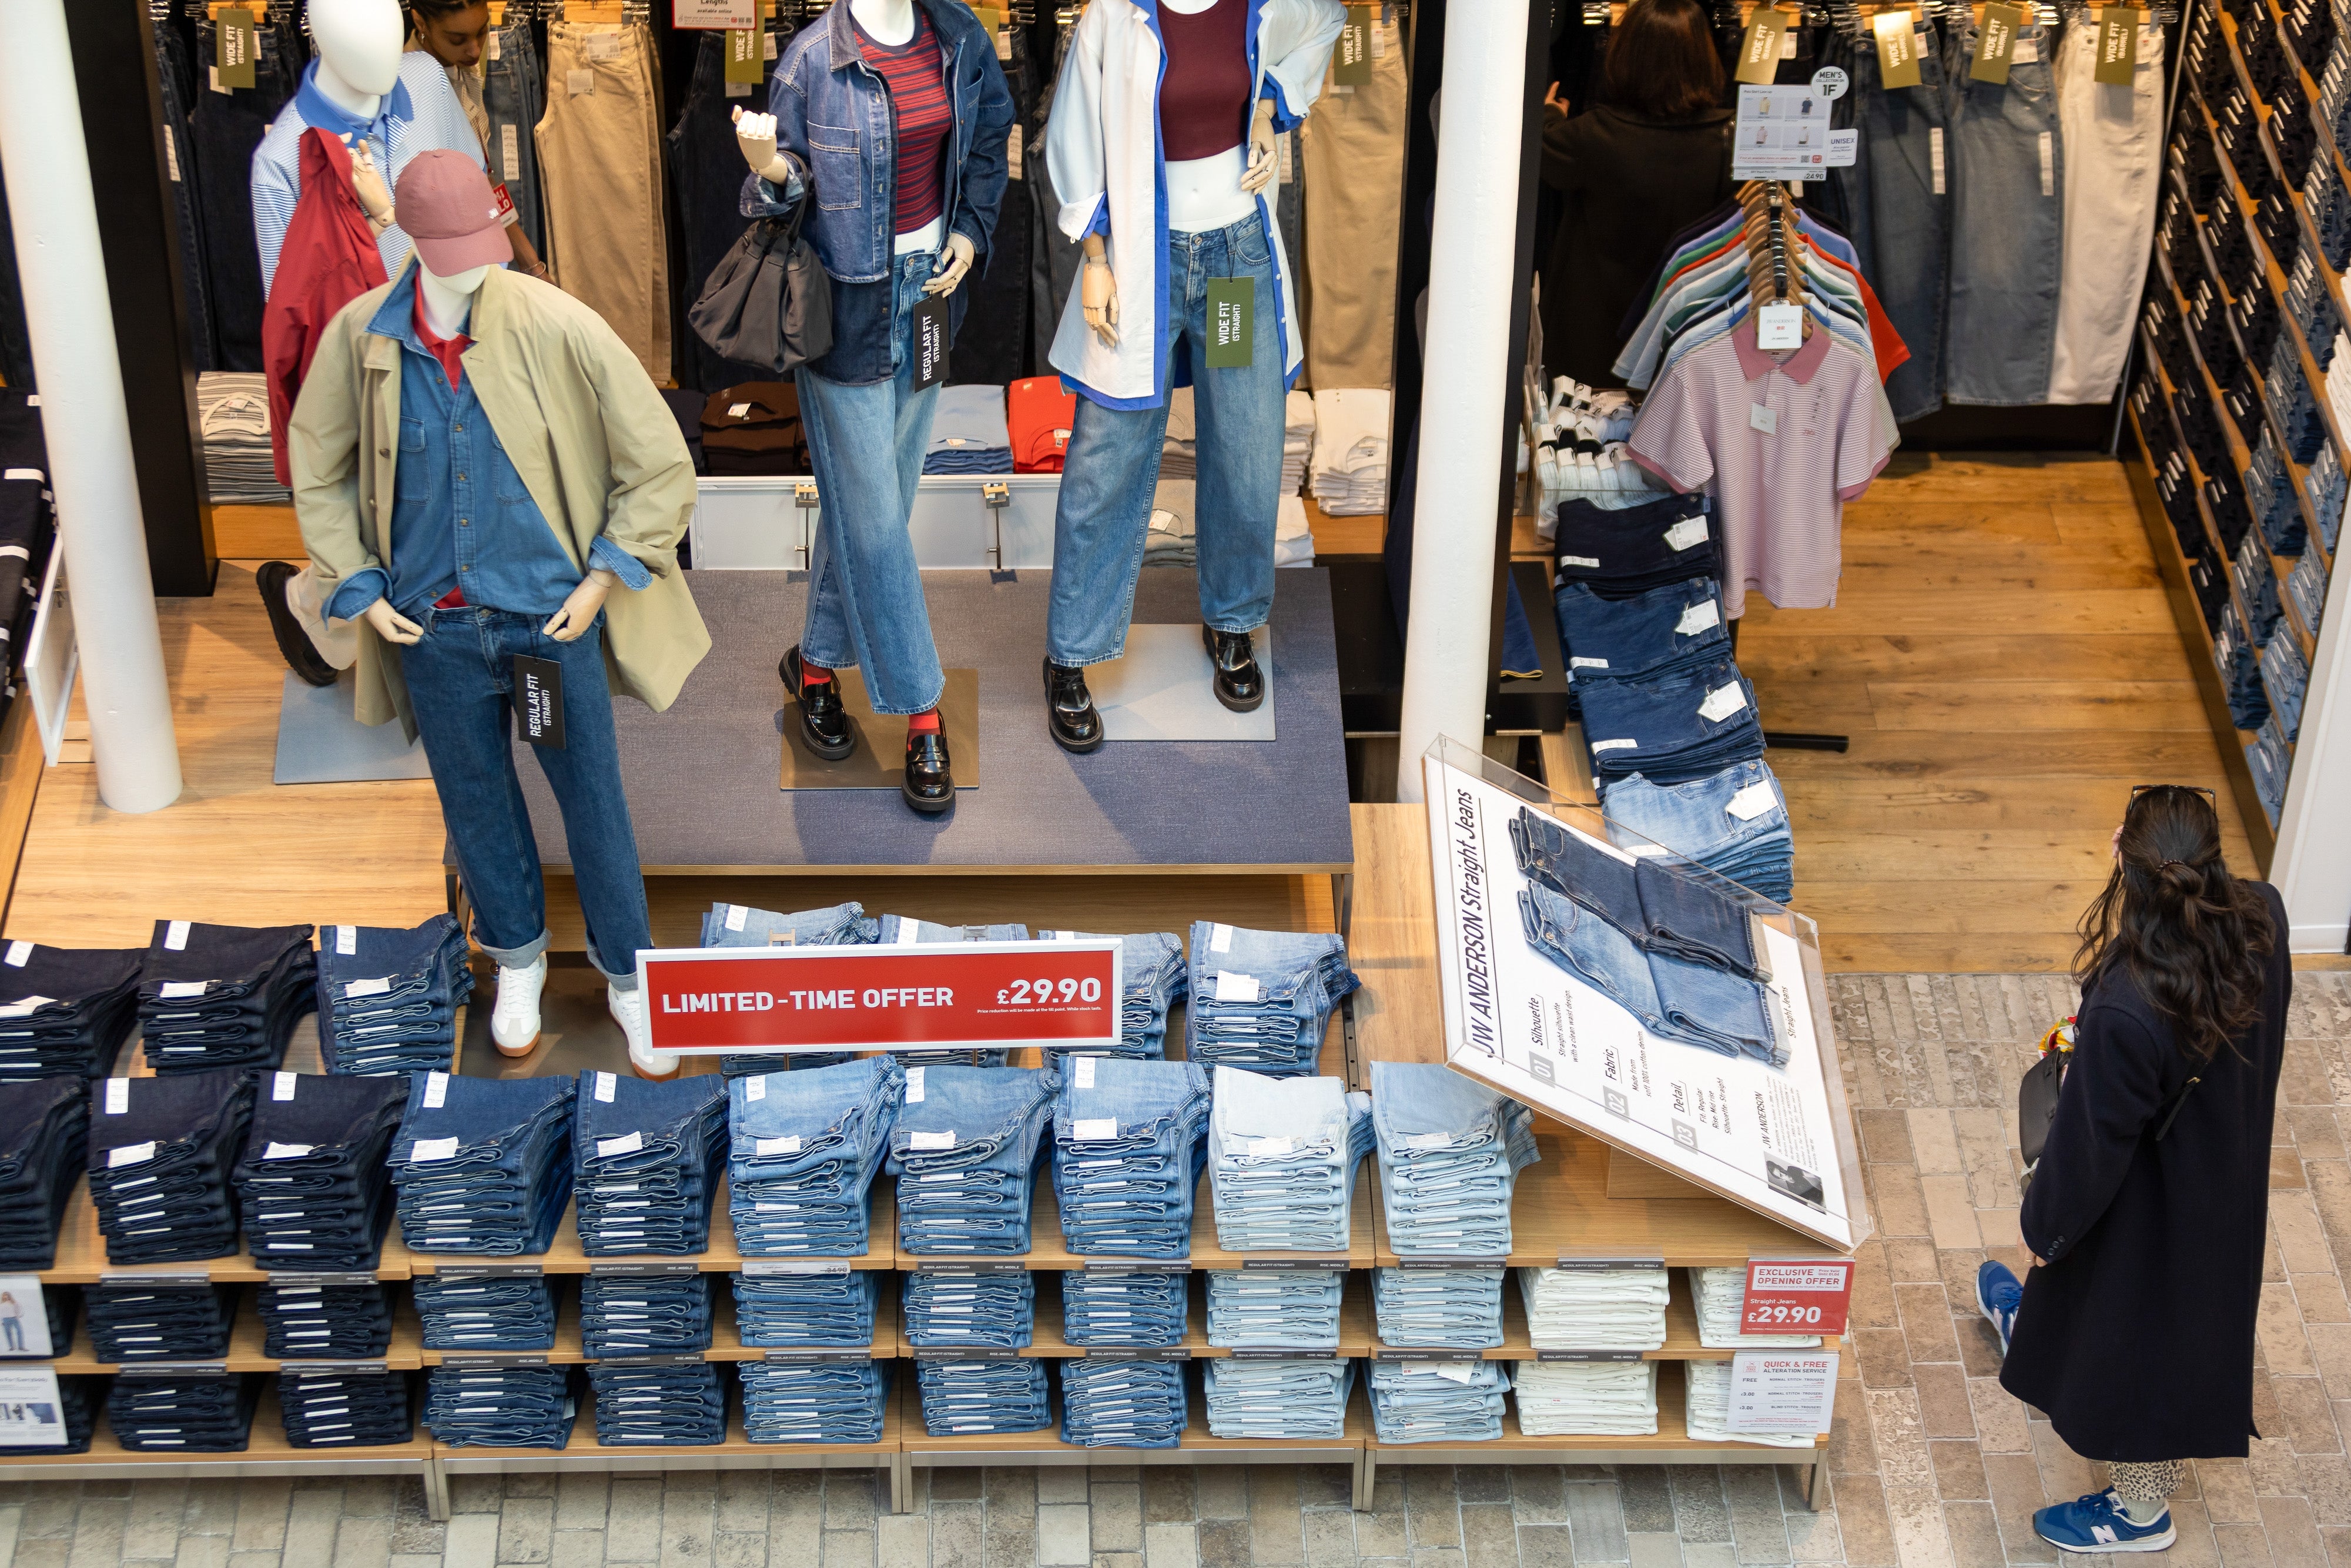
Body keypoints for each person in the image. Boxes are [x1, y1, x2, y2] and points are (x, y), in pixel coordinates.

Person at [1975, 785, 2290, 1553]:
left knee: (2143, 1334)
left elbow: (2089, 1150)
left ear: (2126, 857)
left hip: (2152, 1198)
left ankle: (2139, 1514)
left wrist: (2042, 1231)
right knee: (2147, 1312)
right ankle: (2040, 1330)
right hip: (2222, 1166)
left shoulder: (2129, 1005)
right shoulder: (2265, 916)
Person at [1534, 0, 1734, 390]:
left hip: (1597, 343)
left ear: (1626, 57)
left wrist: (1550, 114)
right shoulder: (1731, 138)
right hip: (1692, 337)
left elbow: (1545, 151)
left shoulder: (1595, 135)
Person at [404, 0, 548, 280]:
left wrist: (532, 264)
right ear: (421, 24)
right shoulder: (411, 95)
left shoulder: (463, 65)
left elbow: (487, 180)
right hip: (445, 269)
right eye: (457, 40)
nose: (474, 50)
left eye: (482, 31)